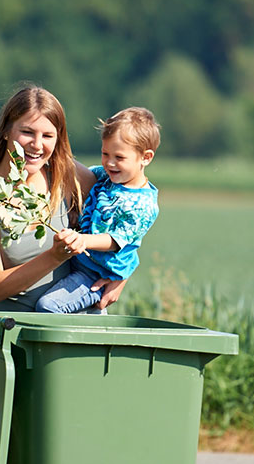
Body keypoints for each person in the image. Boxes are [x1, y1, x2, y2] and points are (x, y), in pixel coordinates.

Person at [0, 85, 125, 312]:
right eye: (27, 132)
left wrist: (122, 276)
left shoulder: (69, 177)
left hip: (87, 329)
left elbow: (128, 220)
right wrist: (54, 257)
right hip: (20, 335)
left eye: (47, 136)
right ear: (6, 130)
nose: (37, 145)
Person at [34, 107, 160, 314]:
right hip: (80, 260)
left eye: (119, 157)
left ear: (145, 158)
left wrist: (83, 240)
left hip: (94, 275)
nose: (110, 163)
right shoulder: (106, 176)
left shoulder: (143, 204)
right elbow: (72, 170)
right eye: (105, 153)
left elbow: (116, 240)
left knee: (48, 306)